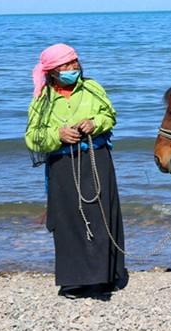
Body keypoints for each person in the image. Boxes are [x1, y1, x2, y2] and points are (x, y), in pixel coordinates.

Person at [25, 43, 127, 298]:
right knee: (69, 219)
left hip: (96, 159)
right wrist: (57, 134)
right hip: (62, 166)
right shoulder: (42, 100)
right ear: (52, 71)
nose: (73, 68)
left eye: (75, 63)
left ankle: (105, 278)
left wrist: (95, 123)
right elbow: (32, 137)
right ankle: (74, 281)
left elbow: (110, 116)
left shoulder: (93, 89)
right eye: (66, 65)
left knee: (101, 215)